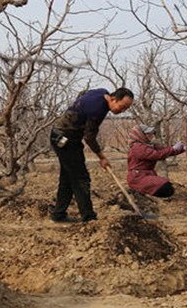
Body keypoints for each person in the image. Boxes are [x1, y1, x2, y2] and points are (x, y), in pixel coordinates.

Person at [50, 87, 134, 223]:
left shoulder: (101, 92)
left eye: (126, 109)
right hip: (65, 139)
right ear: (113, 99)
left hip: (67, 136)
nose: (122, 111)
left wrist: (79, 112)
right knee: (80, 179)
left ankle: (58, 215)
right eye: (122, 107)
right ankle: (89, 218)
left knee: (68, 178)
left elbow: (82, 93)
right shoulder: (97, 110)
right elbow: (89, 138)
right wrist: (102, 157)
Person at [126, 124, 185, 198]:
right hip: (137, 177)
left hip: (145, 175)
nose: (151, 135)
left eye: (150, 133)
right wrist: (173, 149)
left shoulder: (148, 145)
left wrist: (181, 149)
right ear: (141, 135)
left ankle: (140, 193)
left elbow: (164, 150)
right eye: (148, 134)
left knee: (166, 187)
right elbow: (157, 155)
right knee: (166, 188)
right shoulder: (138, 147)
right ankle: (138, 191)